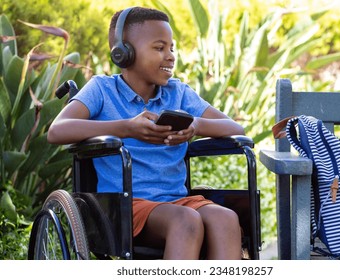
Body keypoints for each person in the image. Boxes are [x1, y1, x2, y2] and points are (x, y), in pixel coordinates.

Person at [47, 6, 244, 260]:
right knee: (186, 221)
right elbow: (57, 131)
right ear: (124, 53)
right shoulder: (102, 90)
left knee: (226, 219)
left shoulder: (178, 93)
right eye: (159, 48)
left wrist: (196, 125)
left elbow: (235, 127)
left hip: (178, 201)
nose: (170, 56)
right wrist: (126, 128)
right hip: (125, 206)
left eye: (172, 48)